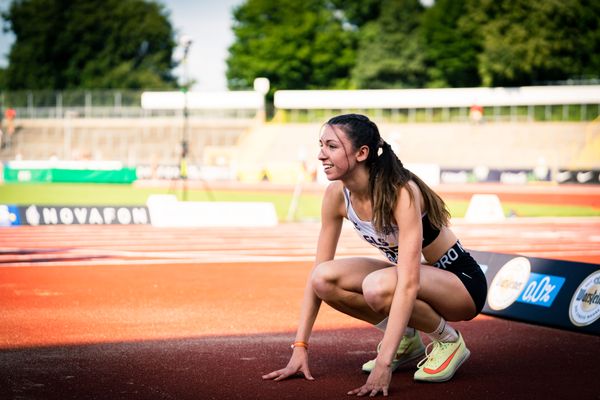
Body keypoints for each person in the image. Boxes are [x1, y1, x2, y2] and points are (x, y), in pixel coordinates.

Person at [262, 114, 487, 396]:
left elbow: (408, 283)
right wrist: (300, 347)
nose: (321, 155)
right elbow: (316, 274)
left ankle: (448, 340)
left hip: (460, 285)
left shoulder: (401, 193)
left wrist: (384, 364)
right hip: (411, 280)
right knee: (323, 279)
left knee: (377, 286)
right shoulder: (336, 195)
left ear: (362, 153)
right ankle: (407, 339)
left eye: (332, 146)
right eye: (321, 145)